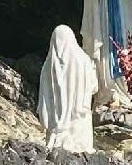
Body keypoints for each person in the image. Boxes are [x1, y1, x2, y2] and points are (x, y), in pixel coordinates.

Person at [38, 24, 96, 153]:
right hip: (80, 118)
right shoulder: (84, 60)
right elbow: (94, 87)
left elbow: (44, 97)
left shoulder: (49, 66)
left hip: (58, 123)